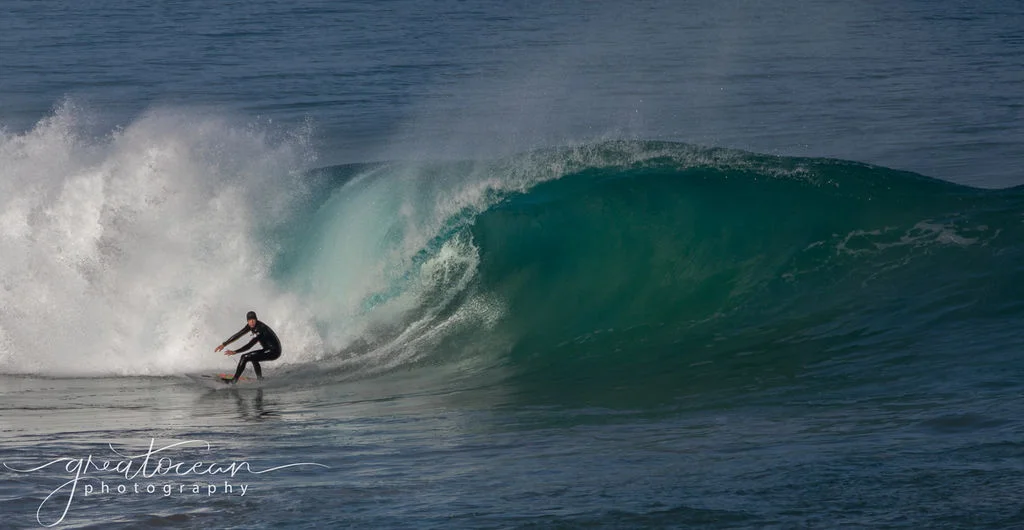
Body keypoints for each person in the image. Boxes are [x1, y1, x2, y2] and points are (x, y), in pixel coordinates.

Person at [215, 311, 282, 383]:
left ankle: (234, 380)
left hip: (274, 351)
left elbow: (249, 345)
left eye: (253, 320)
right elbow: (239, 334)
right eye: (250, 320)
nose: (252, 322)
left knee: (245, 357)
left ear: (256, 320)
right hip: (269, 349)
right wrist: (224, 344)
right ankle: (260, 378)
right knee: (253, 358)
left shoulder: (260, 328)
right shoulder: (250, 325)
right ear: (247, 321)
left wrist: (235, 351)